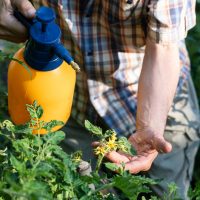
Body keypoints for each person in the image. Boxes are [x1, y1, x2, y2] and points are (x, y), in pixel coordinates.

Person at [0, 0, 199, 199]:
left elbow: (162, 49)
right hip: (67, 103)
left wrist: (150, 127)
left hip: (151, 100)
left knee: (167, 192)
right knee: (85, 190)